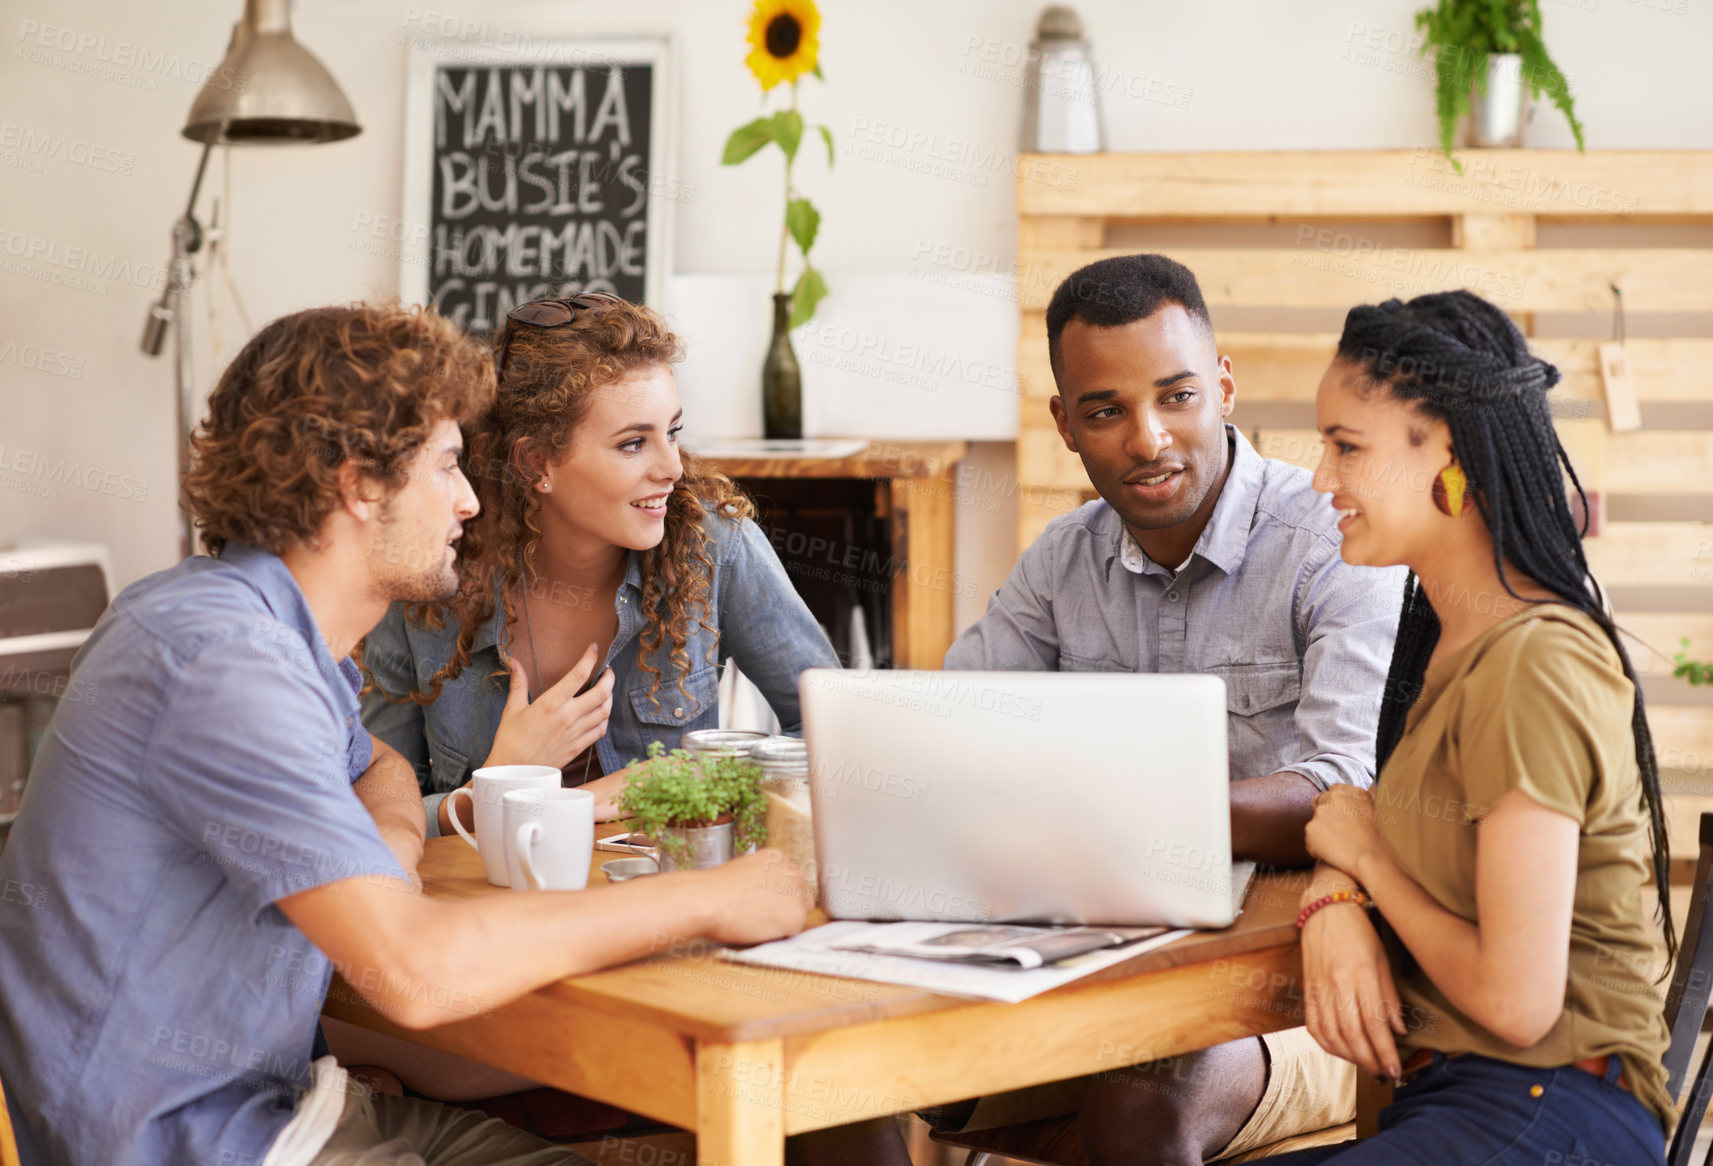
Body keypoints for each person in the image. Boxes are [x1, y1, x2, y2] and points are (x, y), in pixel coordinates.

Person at [0, 303, 809, 1166]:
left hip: (292, 1101)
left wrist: (388, 839)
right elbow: (416, 975)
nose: (469, 501)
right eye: (450, 466)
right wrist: (712, 898)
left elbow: (375, 760)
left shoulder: (248, 624)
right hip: (210, 1144)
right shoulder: (223, 661)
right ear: (360, 484)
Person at [934, 254, 1406, 1165]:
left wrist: (1116, 814)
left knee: (1141, 1095)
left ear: (1222, 388)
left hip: (1308, 990)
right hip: (1103, 968)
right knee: (847, 1079)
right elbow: (955, 734)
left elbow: (1345, 793)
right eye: (1106, 411)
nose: (1147, 439)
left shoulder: (1332, 544)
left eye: (1177, 396)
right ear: (1066, 425)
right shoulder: (1062, 561)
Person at [1249, 290, 1673, 1165]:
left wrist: (1361, 860)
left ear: (1441, 446)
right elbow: (1365, 819)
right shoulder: (1448, 647)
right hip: (1463, 1103)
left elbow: (1517, 1000)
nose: (1320, 478)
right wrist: (1336, 887)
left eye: (1344, 446)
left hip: (1552, 1109)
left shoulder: (1532, 662)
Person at [360, 293, 838, 840]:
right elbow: (374, 808)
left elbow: (834, 739)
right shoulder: (431, 571)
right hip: (488, 901)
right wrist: (490, 789)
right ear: (536, 462)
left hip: (666, 890)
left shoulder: (714, 545)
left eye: (673, 432)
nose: (673, 468)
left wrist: (705, 776)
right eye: (634, 443)